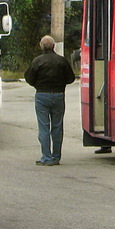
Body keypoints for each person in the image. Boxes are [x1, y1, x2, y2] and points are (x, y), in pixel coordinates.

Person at [24, 35, 75, 166]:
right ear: (54, 46)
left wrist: (38, 85)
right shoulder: (62, 61)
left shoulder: (37, 61)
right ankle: (56, 157)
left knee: (44, 127)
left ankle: (46, 156)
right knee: (57, 127)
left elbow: (29, 78)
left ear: (42, 46)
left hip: (42, 95)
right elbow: (71, 78)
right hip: (58, 95)